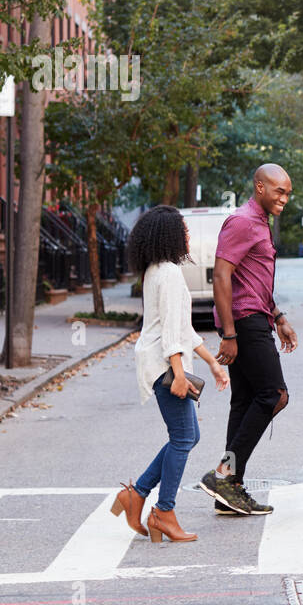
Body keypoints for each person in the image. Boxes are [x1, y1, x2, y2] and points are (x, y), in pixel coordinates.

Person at [112, 205, 228, 543]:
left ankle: (138, 493)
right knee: (182, 438)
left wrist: (211, 362)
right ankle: (163, 511)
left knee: (189, 436)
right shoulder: (170, 274)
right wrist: (179, 373)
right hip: (165, 367)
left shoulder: (156, 271)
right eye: (183, 229)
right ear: (170, 235)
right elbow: (172, 337)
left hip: (160, 363)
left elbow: (181, 328)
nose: (188, 235)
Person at [197, 164, 299, 516]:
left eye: (287, 192)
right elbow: (222, 276)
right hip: (244, 322)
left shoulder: (260, 223)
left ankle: (231, 488)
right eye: (279, 191)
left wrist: (279, 317)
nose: (285, 198)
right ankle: (224, 474)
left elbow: (255, 281)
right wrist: (229, 334)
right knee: (274, 395)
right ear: (259, 187)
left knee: (244, 402)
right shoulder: (242, 221)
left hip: (256, 317)